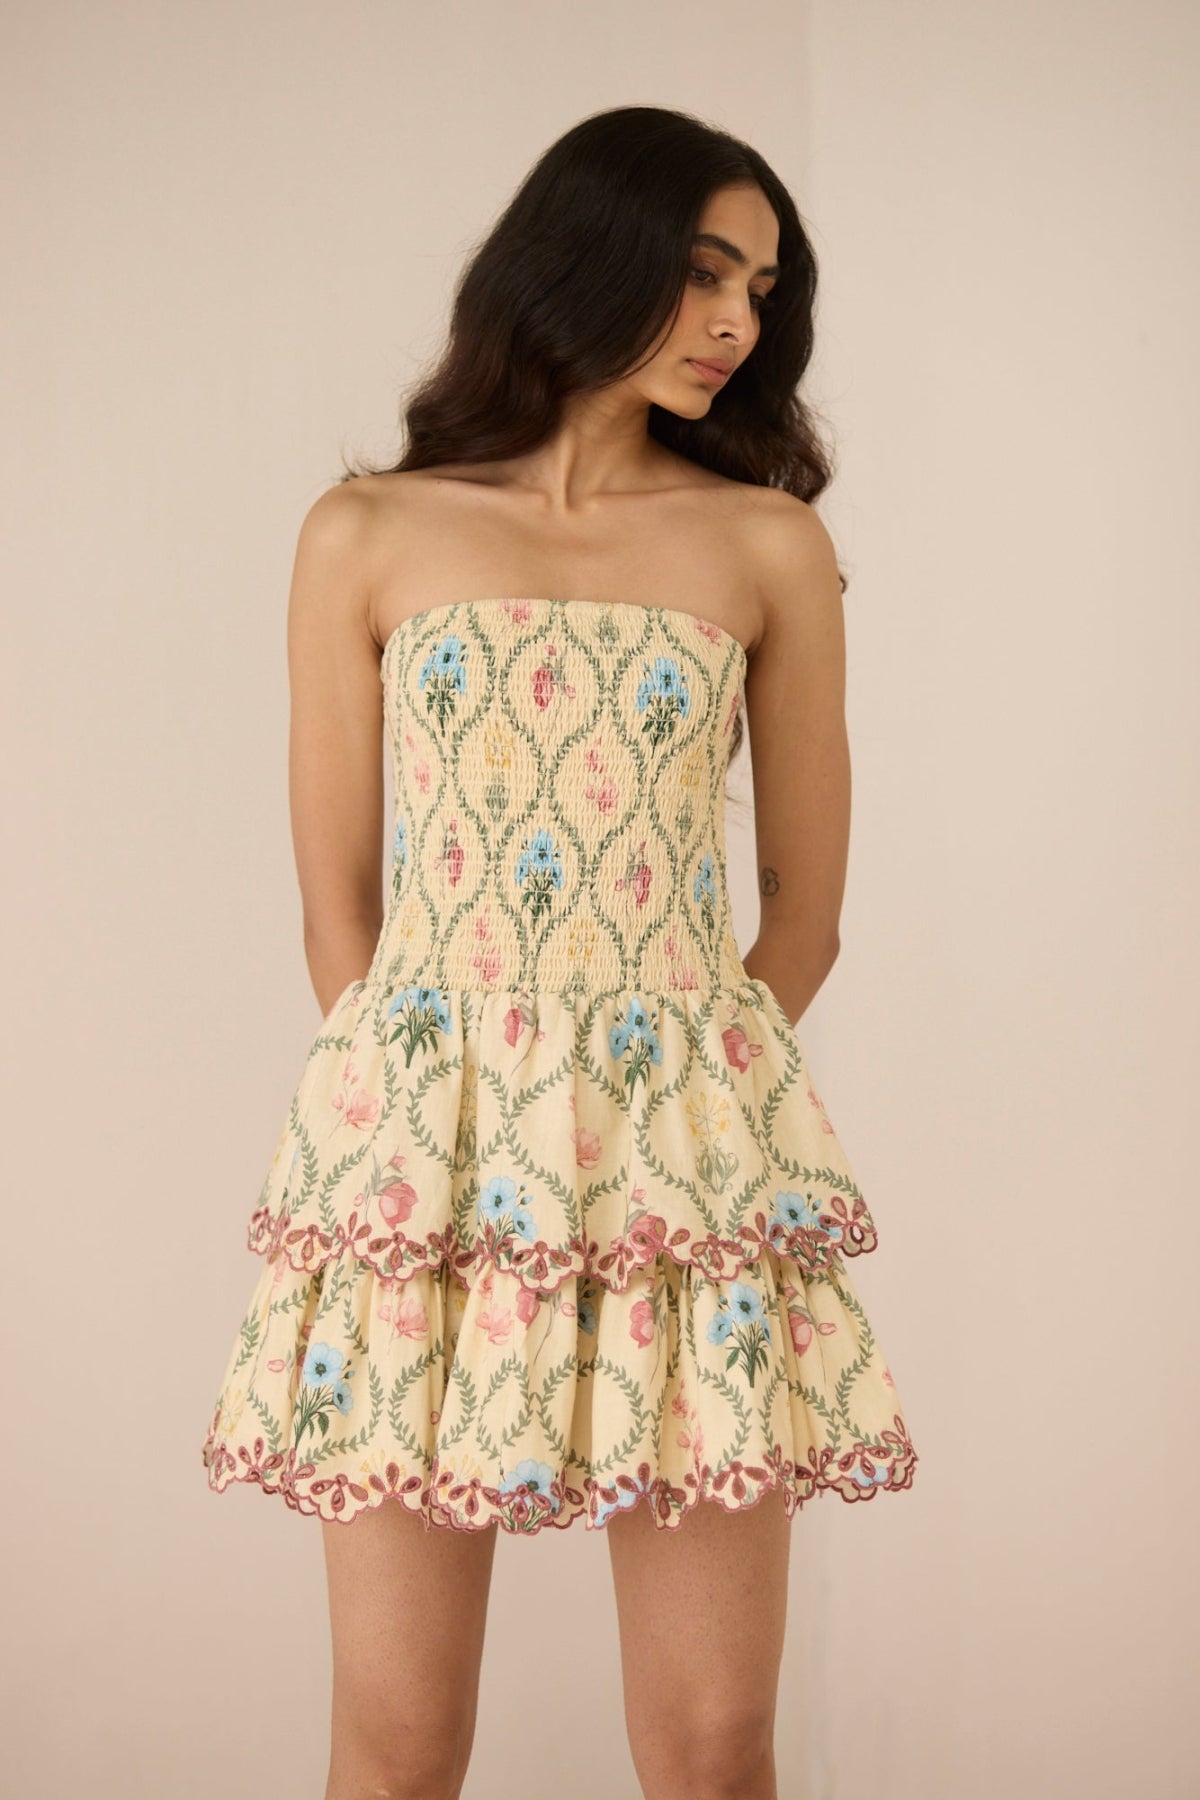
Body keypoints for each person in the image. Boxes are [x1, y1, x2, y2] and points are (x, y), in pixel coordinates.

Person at [201, 104, 918, 1800]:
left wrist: (673, 1103)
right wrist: (437, 1119)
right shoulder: (366, 531)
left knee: (713, 1744)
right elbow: (339, 911)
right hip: (417, 1176)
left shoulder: (767, 546)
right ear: (585, 255)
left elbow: (803, 915)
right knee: (396, 1744)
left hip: (686, 1180)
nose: (736, 322)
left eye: (761, 291)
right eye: (704, 273)